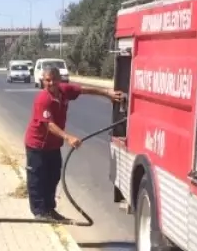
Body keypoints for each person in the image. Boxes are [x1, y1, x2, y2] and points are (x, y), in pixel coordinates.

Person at [24, 64, 124, 222]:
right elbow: (48, 124)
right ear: (43, 80)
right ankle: (39, 212)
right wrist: (68, 137)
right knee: (37, 178)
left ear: (59, 80)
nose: (50, 84)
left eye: (53, 80)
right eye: (47, 81)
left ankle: (50, 209)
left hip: (53, 146)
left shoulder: (64, 91)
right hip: (37, 145)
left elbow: (84, 90)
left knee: (54, 176)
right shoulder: (43, 99)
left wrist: (106, 93)